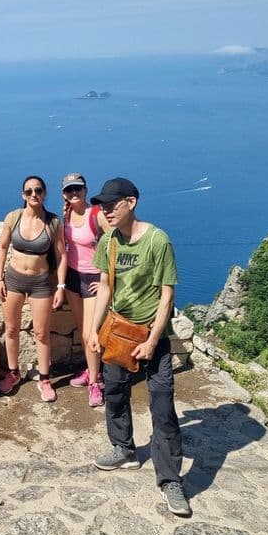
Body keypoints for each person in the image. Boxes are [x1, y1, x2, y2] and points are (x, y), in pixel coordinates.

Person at [87, 177, 191, 517]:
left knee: (162, 407)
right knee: (115, 392)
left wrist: (151, 340)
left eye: (112, 204)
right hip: (118, 333)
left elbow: (167, 295)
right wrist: (93, 329)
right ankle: (123, 448)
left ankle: (170, 480)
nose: (106, 210)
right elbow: (104, 286)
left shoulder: (157, 241)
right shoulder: (109, 242)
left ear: (131, 202)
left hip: (153, 338)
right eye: (102, 205)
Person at [0, 175, 67, 402]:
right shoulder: (13, 218)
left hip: (41, 282)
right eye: (29, 191)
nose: (33, 194)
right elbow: (3, 247)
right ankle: (14, 373)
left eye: (38, 190)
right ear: (22, 195)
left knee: (42, 333)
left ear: (44, 194)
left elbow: (61, 255)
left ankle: (44, 379)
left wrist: (61, 286)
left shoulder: (53, 223)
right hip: (14, 279)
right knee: (12, 330)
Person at [61, 173, 110, 407]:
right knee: (83, 331)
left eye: (77, 189)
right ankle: (93, 372)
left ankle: (94, 384)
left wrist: (105, 280)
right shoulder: (67, 214)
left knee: (92, 334)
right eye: (69, 190)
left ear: (86, 191)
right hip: (72, 275)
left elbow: (116, 242)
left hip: (92, 277)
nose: (74, 193)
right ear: (64, 194)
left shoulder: (96, 214)